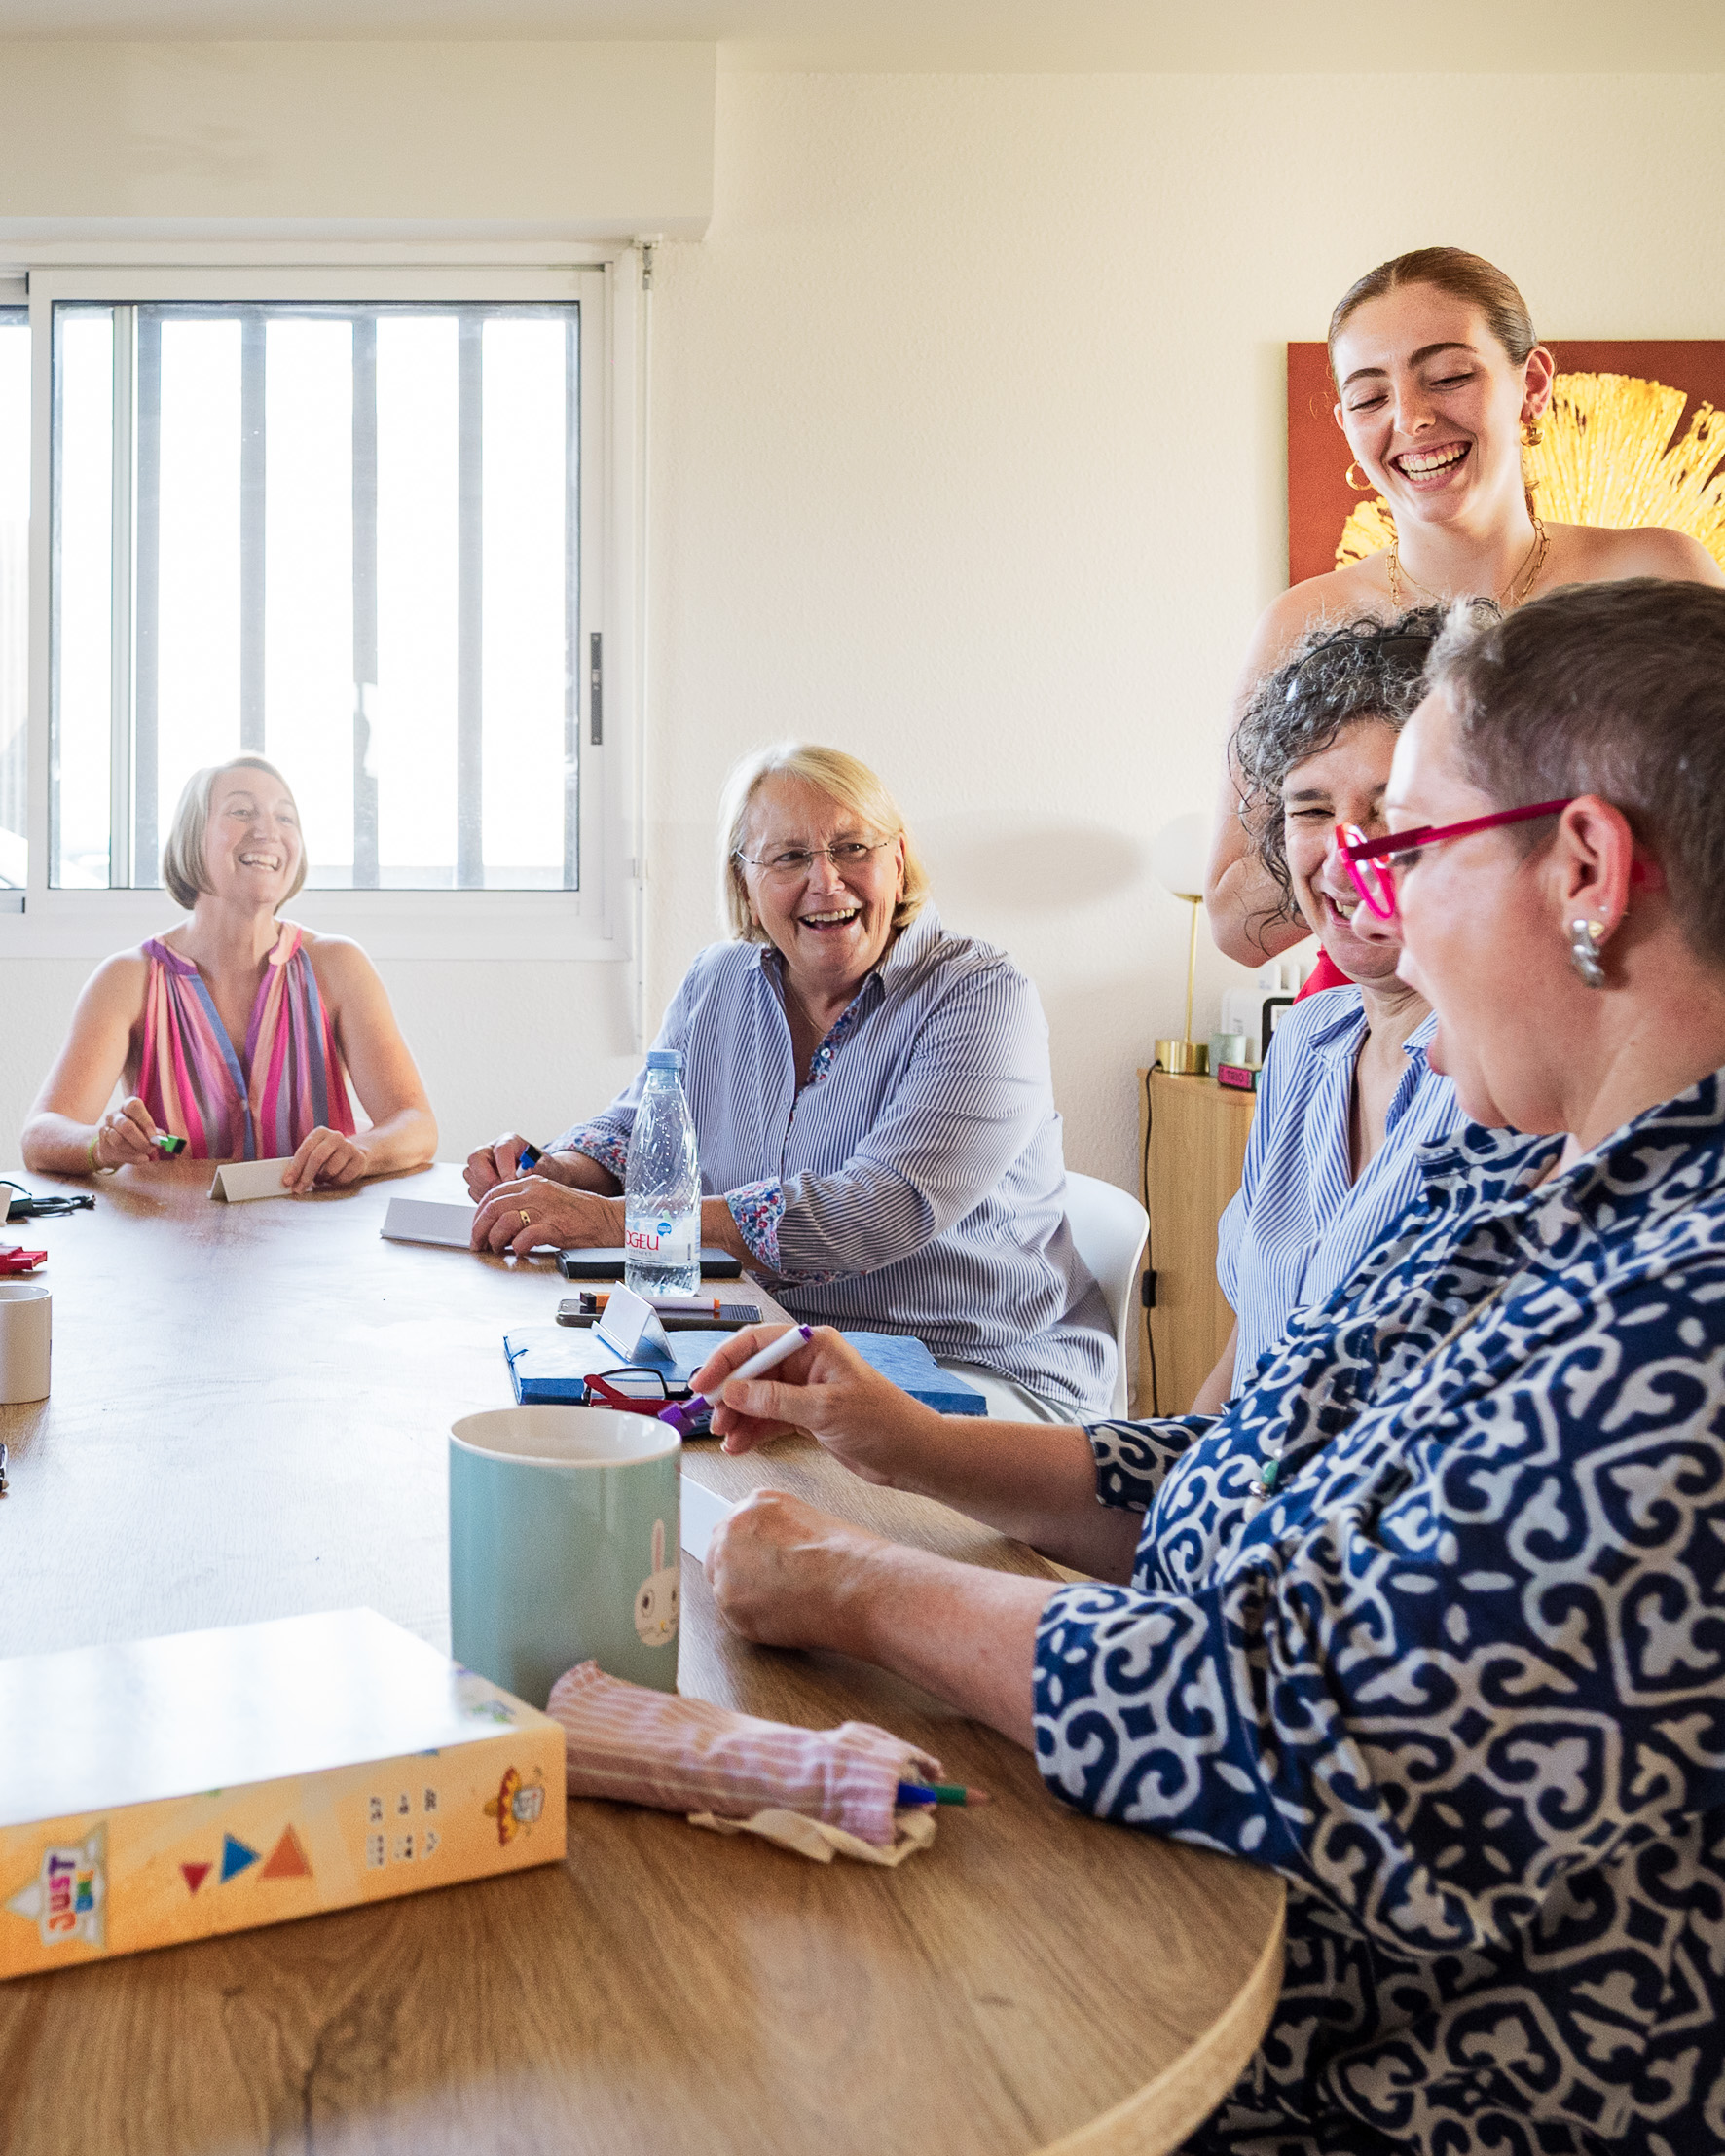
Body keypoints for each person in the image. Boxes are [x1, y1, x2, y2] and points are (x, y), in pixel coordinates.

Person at [690, 581, 1725, 2154]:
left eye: (1417, 844)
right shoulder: (1521, 1167)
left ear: (1584, 868)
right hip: (1180, 1901)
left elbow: (1318, 1742)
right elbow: (1250, 1455)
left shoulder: (1681, 1313)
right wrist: (905, 1449)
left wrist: (862, 1588)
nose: (1358, 902)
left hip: (1364, 2077)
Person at [464, 742, 1114, 1418]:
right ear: (744, 881)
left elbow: (879, 1208)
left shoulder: (982, 996)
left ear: (898, 860)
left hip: (974, 1371)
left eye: (854, 848)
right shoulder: (717, 982)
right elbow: (637, 1133)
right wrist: (553, 1176)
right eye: (791, 857)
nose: (827, 882)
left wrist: (610, 1222)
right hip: (776, 1344)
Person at [1205, 244, 1724, 973]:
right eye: (1370, 396)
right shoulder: (1305, 621)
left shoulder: (1655, 573)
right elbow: (1234, 922)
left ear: (1533, 383)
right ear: (1346, 422)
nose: (1412, 418)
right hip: (1381, 1019)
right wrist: (1369, 819)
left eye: (1447, 376)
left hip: (1614, 993)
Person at [1193, 610, 1463, 1411]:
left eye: (1395, 808)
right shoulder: (1309, 1039)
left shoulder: (1506, 1074)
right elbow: (1249, 1355)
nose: (1349, 848)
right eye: (1311, 810)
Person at [22, 754, 436, 1189]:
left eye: (285, 817)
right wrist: (99, 1145)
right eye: (242, 811)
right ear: (191, 837)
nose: (267, 830)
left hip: (317, 1241)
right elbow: (40, 1134)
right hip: (173, 1246)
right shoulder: (128, 980)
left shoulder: (339, 966)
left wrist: (364, 1152)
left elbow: (416, 1124)